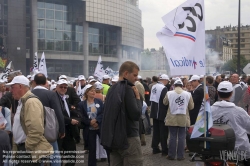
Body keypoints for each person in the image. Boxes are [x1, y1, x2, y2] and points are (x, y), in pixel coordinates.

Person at [101, 61, 143, 166]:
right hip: (129, 138)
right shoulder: (128, 88)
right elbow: (136, 115)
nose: (136, 78)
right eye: (134, 75)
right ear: (125, 74)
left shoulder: (111, 89)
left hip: (114, 138)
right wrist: (138, 98)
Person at [6, 75, 53, 165]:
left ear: (20, 86)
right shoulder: (23, 101)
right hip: (24, 149)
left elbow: (36, 130)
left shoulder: (31, 102)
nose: (11, 90)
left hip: (28, 151)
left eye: (13, 87)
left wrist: (27, 147)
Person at [211, 81, 250, 166]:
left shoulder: (208, 111)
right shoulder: (239, 111)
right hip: (237, 150)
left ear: (217, 92)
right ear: (231, 93)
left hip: (213, 149)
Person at [32, 73, 65, 166]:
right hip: (49, 129)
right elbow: (58, 113)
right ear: (46, 82)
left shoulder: (29, 94)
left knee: (39, 155)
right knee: (54, 154)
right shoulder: (51, 94)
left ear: (34, 82)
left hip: (33, 130)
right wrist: (62, 130)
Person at [163, 79, 194, 160]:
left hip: (172, 118)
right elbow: (191, 107)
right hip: (183, 118)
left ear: (174, 85)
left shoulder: (169, 93)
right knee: (181, 137)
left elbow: (164, 102)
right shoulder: (188, 94)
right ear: (182, 85)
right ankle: (180, 156)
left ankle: (171, 155)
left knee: (172, 137)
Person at [78, 84, 105, 166]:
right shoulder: (81, 104)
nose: (94, 92)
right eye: (91, 91)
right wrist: (90, 122)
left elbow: (103, 113)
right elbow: (81, 117)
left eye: (94, 90)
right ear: (87, 92)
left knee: (106, 145)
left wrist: (97, 120)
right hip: (89, 130)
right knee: (92, 149)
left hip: (99, 127)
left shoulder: (99, 101)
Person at [55, 79, 79, 166]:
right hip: (59, 130)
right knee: (58, 156)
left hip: (68, 130)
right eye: (61, 87)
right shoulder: (55, 98)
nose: (63, 89)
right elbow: (57, 114)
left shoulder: (64, 97)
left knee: (71, 156)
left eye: (65, 87)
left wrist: (75, 112)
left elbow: (66, 108)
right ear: (57, 87)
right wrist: (70, 120)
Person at [150, 74, 169, 155]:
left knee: (156, 131)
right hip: (161, 112)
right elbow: (165, 101)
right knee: (163, 132)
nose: (167, 83)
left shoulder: (154, 86)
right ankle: (164, 149)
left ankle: (155, 147)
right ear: (164, 80)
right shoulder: (163, 88)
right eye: (167, 81)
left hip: (154, 111)